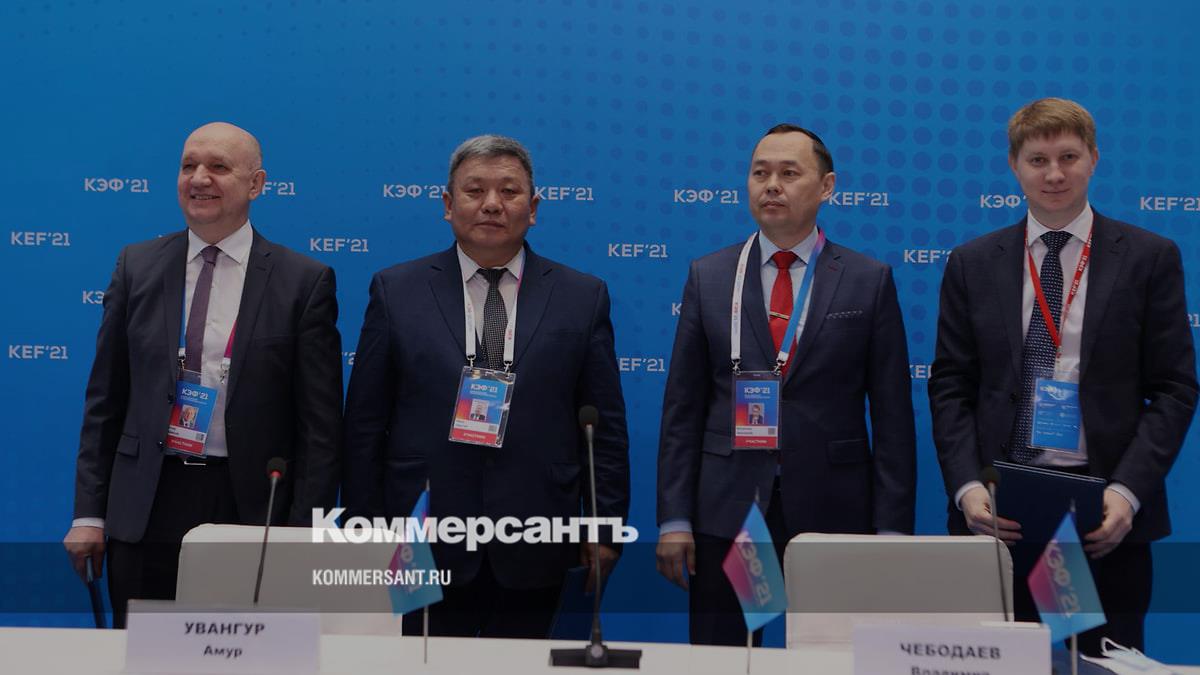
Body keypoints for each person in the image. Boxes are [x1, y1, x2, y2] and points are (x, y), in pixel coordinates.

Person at [929, 98, 1197, 654]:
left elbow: (1174, 389)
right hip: (998, 515)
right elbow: (951, 385)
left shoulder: (1149, 257)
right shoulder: (972, 262)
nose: (1054, 174)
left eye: (1068, 157)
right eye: (1038, 160)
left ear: (1094, 158)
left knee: (1103, 664)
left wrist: (1127, 493)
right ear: (1014, 165)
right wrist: (967, 488)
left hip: (1104, 520)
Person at [342, 134, 630, 638]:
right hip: (422, 533)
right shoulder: (396, 290)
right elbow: (365, 422)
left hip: (538, 529)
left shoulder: (582, 296)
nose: (492, 204)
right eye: (475, 191)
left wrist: (605, 528)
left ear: (533, 208)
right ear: (448, 204)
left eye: (509, 191)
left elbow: (601, 428)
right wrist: (365, 526)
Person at [62, 122, 343, 628]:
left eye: (218, 166)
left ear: (256, 184)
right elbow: (105, 400)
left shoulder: (303, 281)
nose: (198, 178)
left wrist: (304, 533)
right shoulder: (136, 266)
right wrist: (89, 513)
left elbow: (320, 427)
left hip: (250, 506)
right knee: (146, 653)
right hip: (148, 501)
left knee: (246, 653)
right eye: (188, 165)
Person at [656, 123, 916, 645]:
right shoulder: (710, 275)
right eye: (760, 173)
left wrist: (891, 530)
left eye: (789, 173)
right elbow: (683, 409)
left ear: (827, 186)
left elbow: (892, 417)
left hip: (833, 507)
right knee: (722, 658)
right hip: (726, 506)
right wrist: (674, 519)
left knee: (830, 657)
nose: (771, 185)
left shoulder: (867, 279)